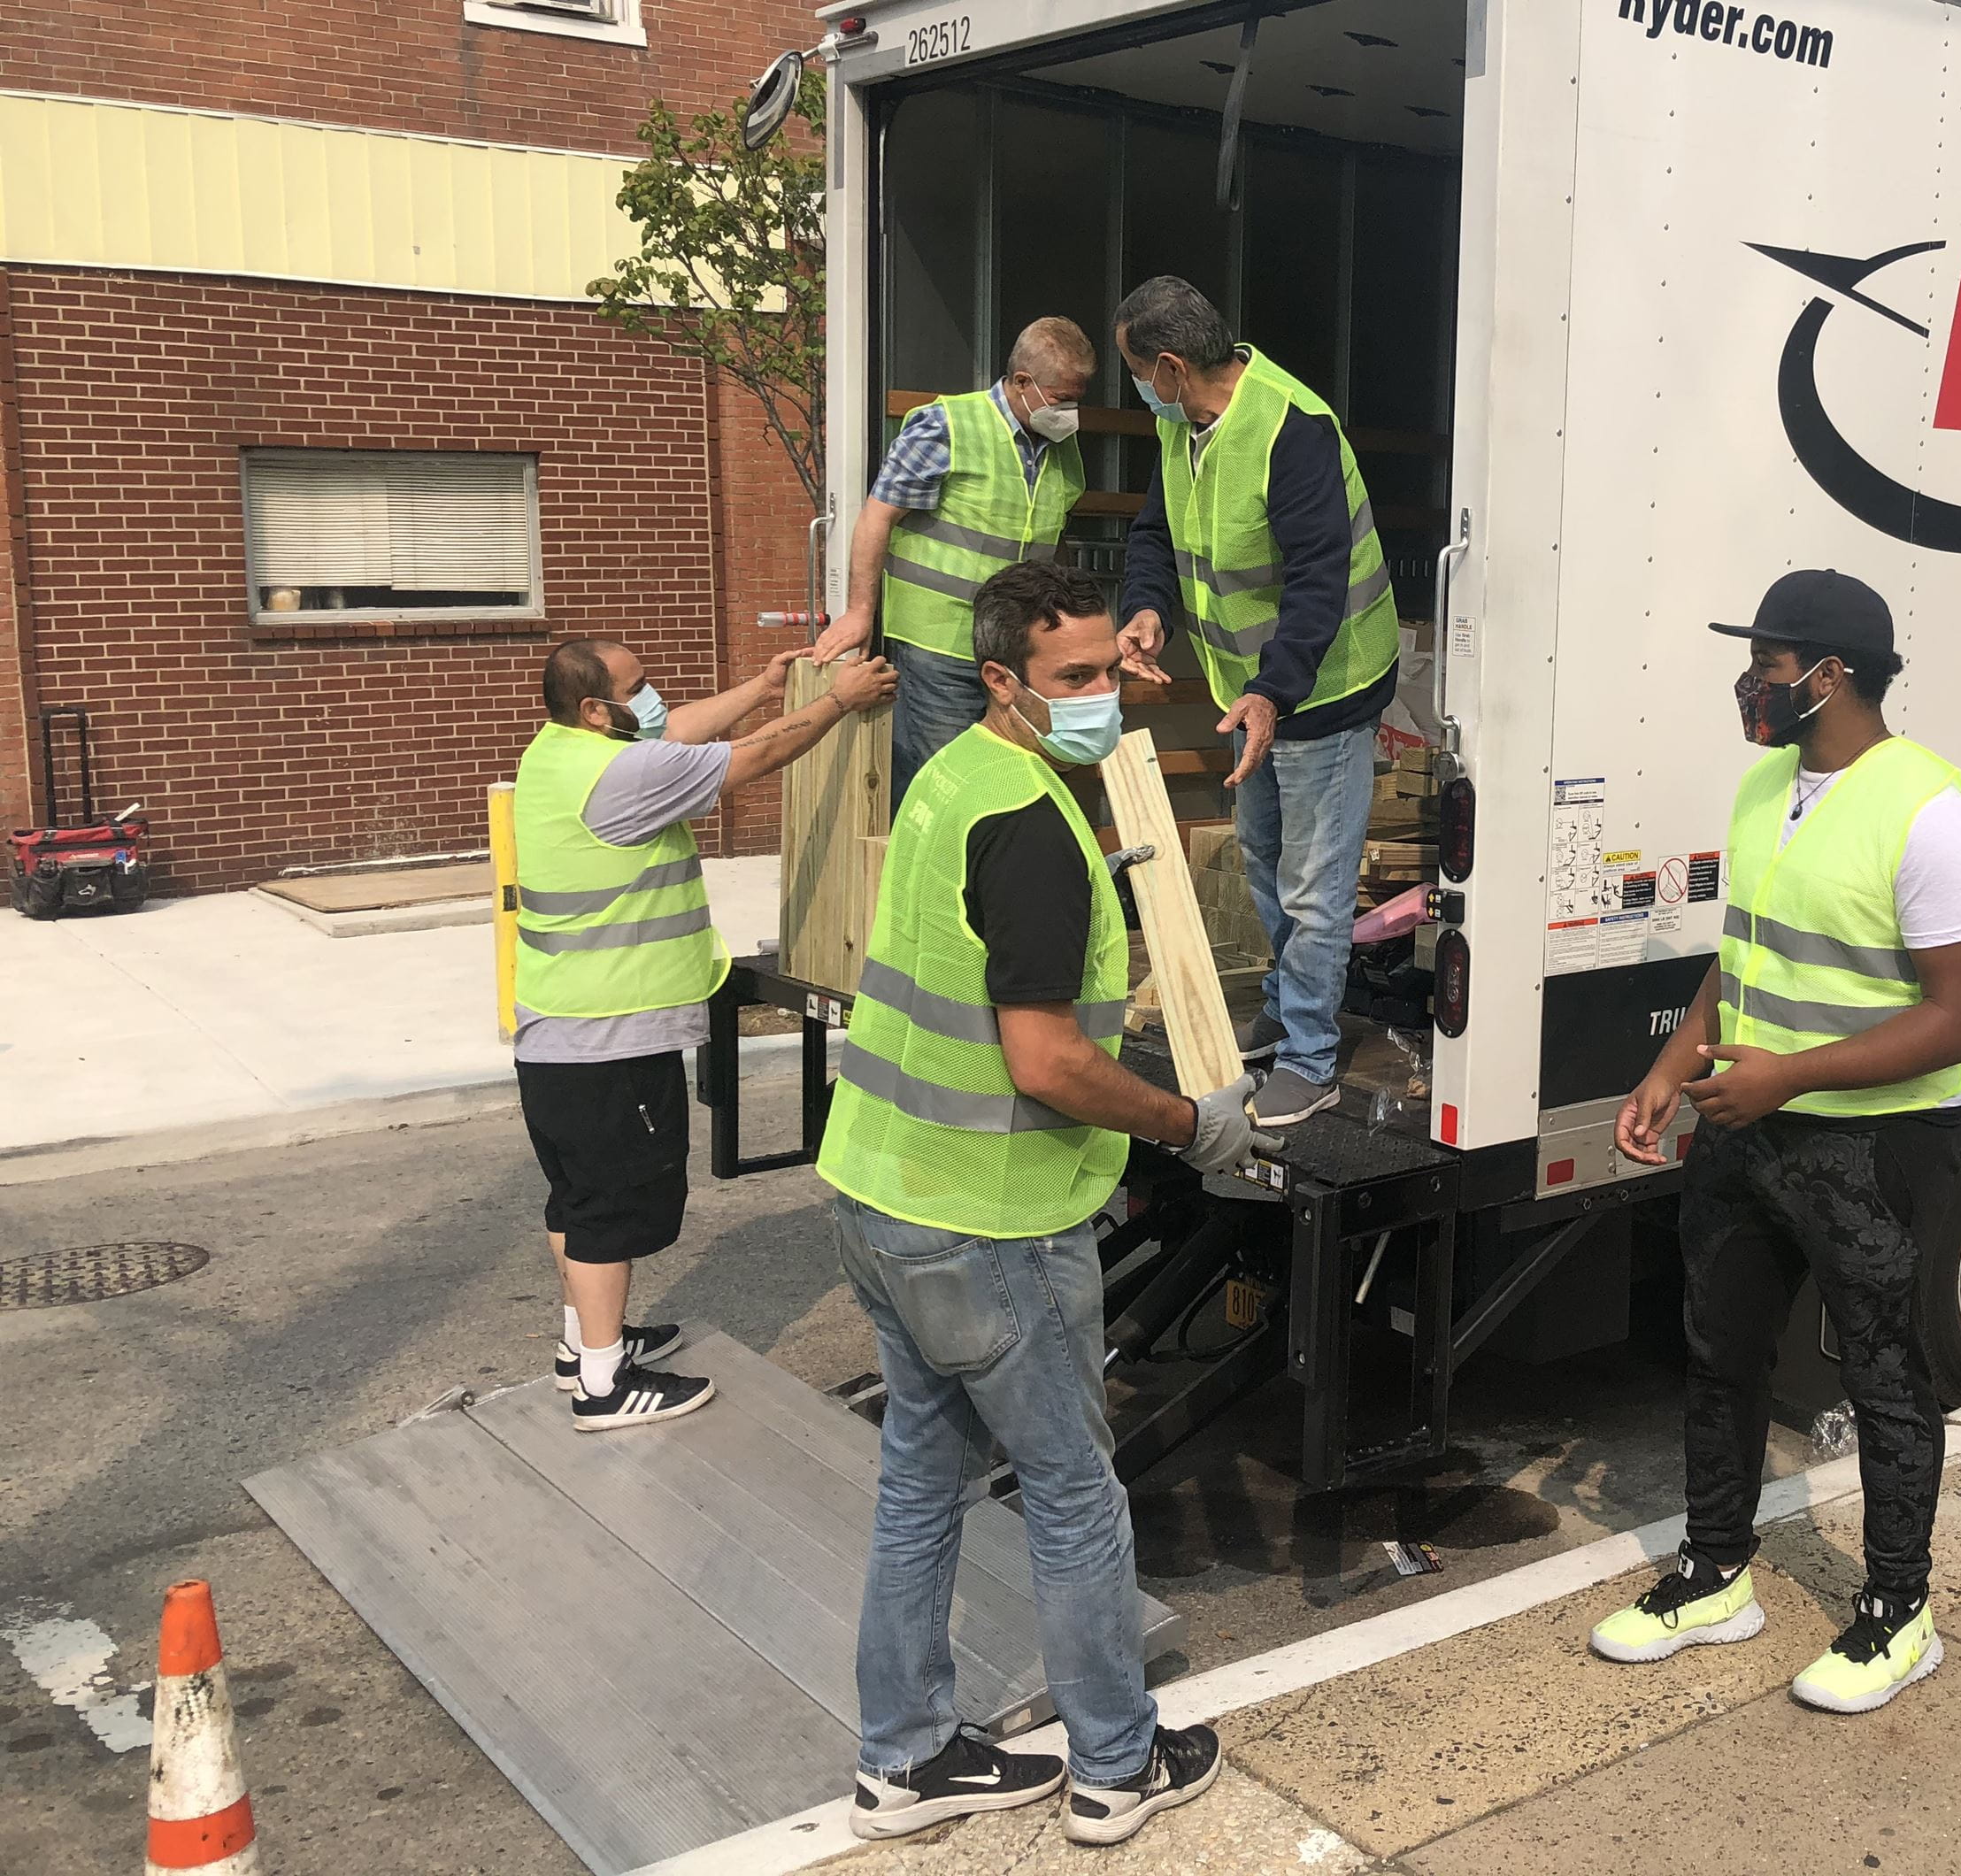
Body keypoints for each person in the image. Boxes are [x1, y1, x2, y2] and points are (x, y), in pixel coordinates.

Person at [818, 559, 1275, 1845]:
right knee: (1074, 1496)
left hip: (880, 1194)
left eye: (1107, 673)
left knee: (921, 1480)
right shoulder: (1029, 823)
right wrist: (1192, 1127)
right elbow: (1047, 1064)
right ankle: (1117, 1767)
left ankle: (903, 1762)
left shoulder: (950, 779)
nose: (1101, 699)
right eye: (1071, 680)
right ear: (1004, 681)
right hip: (990, 1224)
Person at [1589, 569, 1961, 1716]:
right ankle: (1717, 1574)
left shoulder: (1930, 813)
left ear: (1832, 676)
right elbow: (1747, 950)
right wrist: (1674, 1064)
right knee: (1719, 1352)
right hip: (1744, 1127)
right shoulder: (1768, 784)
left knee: (1883, 1376)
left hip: (1873, 1147)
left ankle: (1897, 1611)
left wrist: (1792, 1078)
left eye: (1769, 664)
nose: (1750, 684)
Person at [513, 636, 896, 1429]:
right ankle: (603, 1388)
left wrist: (761, 684)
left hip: (559, 1030)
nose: (651, 699)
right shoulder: (620, 777)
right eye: (637, 687)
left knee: (577, 1200)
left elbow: (678, 732)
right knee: (610, 1211)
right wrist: (835, 701)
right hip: (611, 1037)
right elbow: (751, 760)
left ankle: (587, 1345)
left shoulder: (560, 753)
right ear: (597, 708)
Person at [1110, 274, 1399, 1131]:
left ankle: (1310, 1060)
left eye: (1135, 373)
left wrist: (1274, 690)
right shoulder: (1186, 425)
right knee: (1265, 856)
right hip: (1253, 694)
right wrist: (1146, 605)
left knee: (1312, 885)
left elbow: (1318, 579)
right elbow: (1155, 531)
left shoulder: (1289, 428)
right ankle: (1286, 1007)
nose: (1136, 392)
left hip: (1325, 688)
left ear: (1167, 368)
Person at [813, 316, 1095, 793]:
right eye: (1060, 398)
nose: (1069, 412)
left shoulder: (1060, 449)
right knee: (939, 786)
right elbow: (877, 517)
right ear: (1022, 383)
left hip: (1014, 649)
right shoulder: (946, 426)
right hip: (939, 647)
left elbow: (1049, 541)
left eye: (1076, 400)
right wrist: (860, 611)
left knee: (1003, 785)